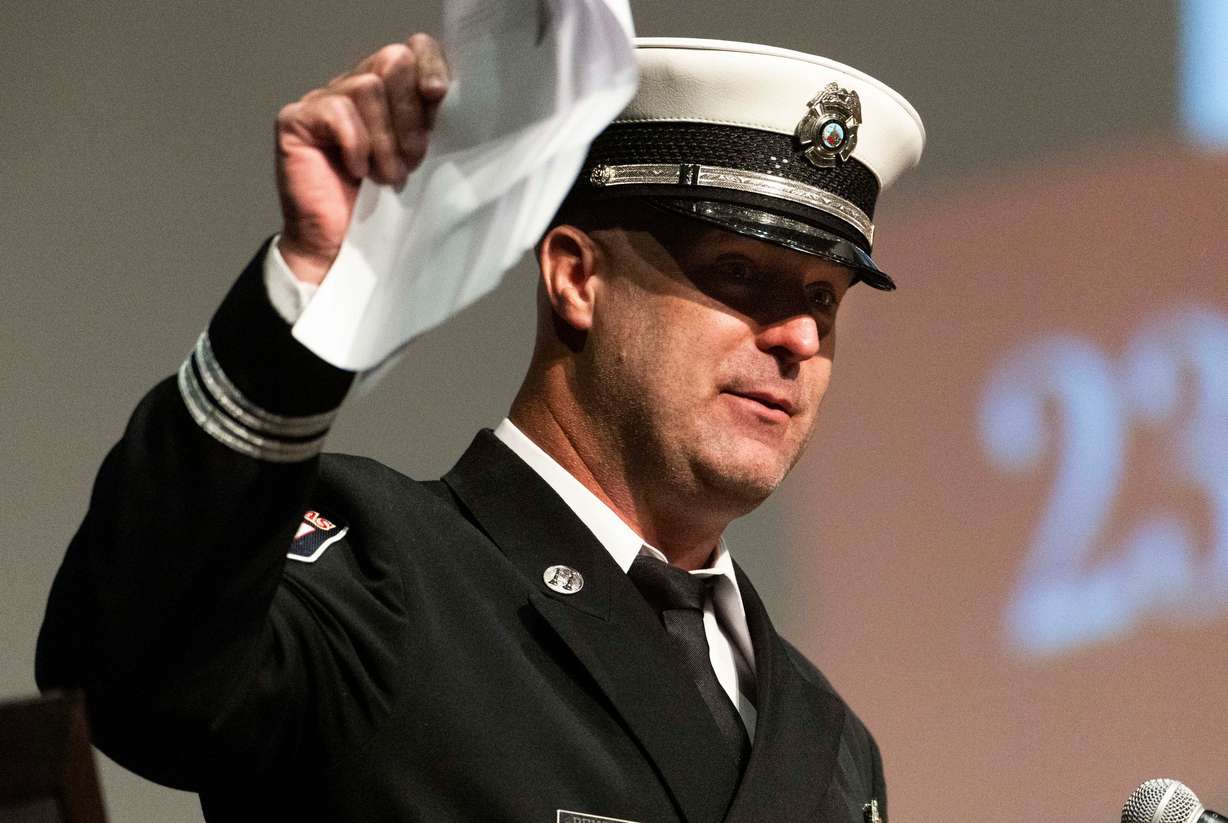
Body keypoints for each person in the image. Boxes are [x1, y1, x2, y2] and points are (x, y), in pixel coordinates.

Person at [36, 32, 924, 823]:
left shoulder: (836, 743)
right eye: (739, 273)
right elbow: (128, 673)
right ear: (576, 278)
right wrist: (306, 296)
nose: (800, 337)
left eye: (822, 299)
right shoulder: (379, 572)